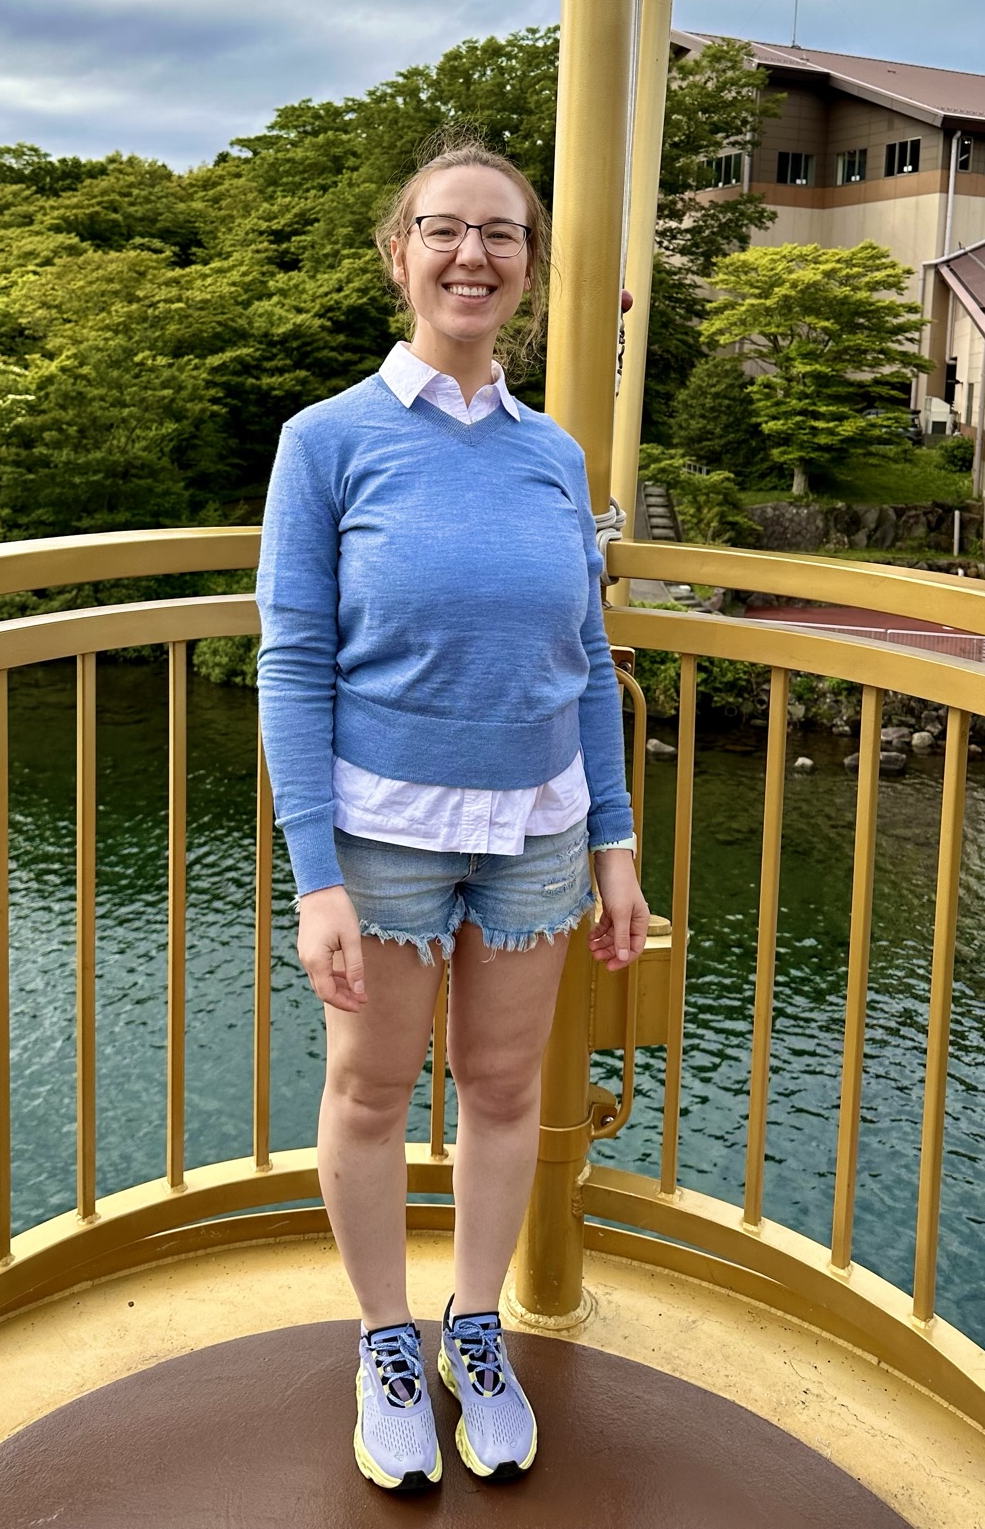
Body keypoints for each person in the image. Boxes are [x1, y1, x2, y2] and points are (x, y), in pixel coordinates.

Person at [256, 139, 647, 1492]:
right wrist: (316, 877)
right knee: (369, 1094)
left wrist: (616, 848)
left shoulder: (555, 454)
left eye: (503, 235)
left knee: (498, 1088)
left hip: (537, 832)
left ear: (529, 269)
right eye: (445, 230)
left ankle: (475, 1328)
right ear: (399, 251)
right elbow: (294, 660)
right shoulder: (328, 442)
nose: (473, 255)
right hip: (381, 836)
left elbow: (589, 662)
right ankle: (385, 1340)